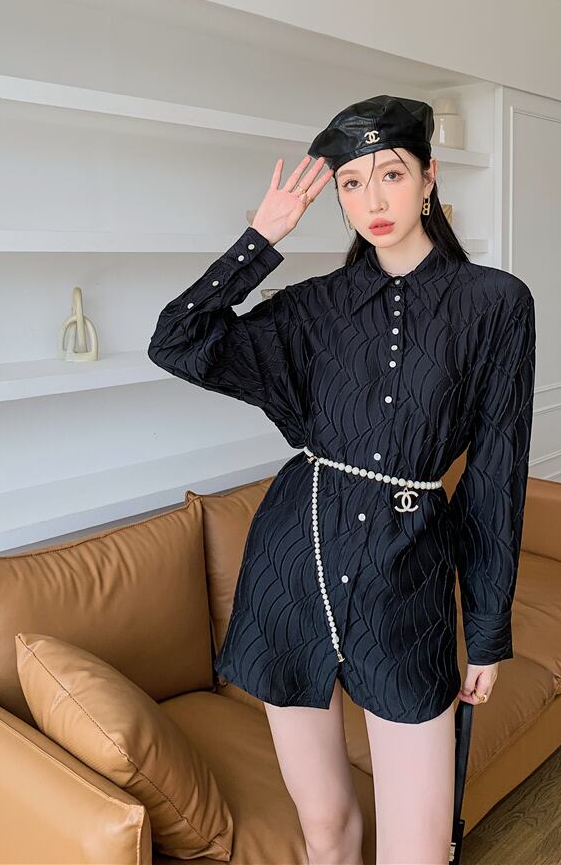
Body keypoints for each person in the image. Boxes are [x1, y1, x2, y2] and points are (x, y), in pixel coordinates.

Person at [147, 94, 536, 865]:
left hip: (408, 584)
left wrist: (487, 630)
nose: (373, 201)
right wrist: (261, 238)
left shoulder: (495, 304)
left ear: (428, 178)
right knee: (324, 829)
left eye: (391, 174)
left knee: (419, 848)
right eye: (352, 183)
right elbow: (177, 341)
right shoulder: (313, 309)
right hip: (294, 570)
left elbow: (497, 473)